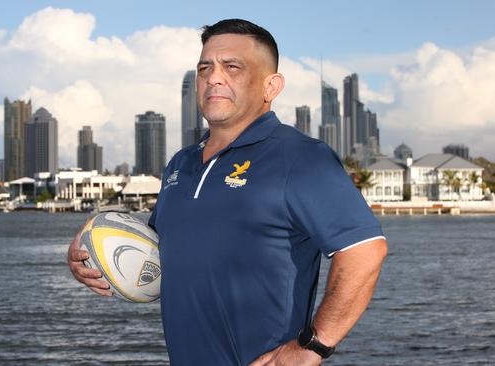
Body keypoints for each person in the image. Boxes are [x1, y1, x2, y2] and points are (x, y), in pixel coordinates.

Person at [68, 19, 388, 366]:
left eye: (232, 67)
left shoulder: (299, 157)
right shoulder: (180, 164)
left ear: (271, 86)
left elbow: (364, 252)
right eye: (205, 68)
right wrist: (89, 254)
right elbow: (160, 252)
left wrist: (312, 346)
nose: (213, 77)